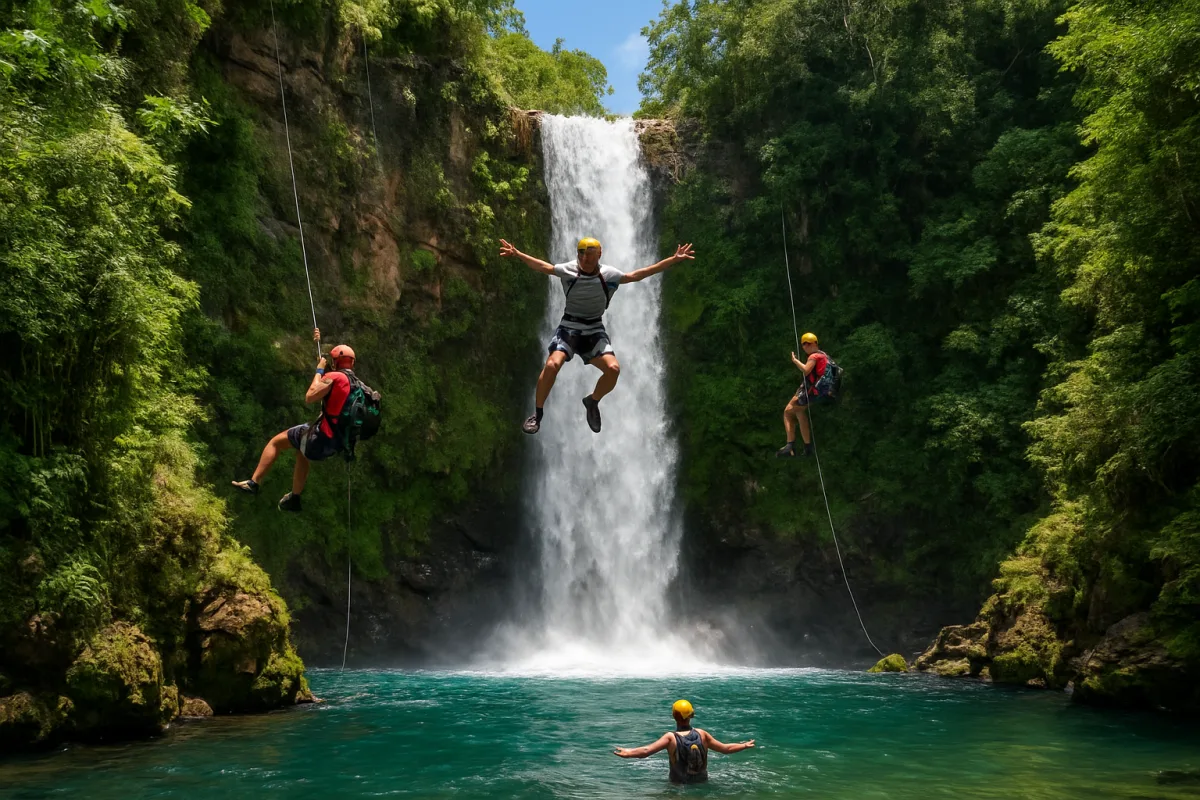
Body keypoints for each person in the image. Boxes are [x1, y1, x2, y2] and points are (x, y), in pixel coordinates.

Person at [498, 236, 695, 434]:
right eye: (582, 257)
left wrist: (672, 259)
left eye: (590, 258)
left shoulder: (609, 274)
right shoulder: (569, 269)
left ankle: (592, 401)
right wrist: (517, 254)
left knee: (614, 369)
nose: (585, 261)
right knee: (551, 364)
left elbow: (638, 275)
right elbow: (543, 267)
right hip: (569, 328)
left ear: (599, 255)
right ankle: (537, 415)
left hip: (594, 330)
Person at [232, 328, 356, 512]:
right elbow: (333, 388)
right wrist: (318, 344)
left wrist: (319, 370)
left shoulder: (335, 377)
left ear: (335, 361)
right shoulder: (354, 384)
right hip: (336, 444)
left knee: (276, 442)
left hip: (321, 437)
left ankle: (254, 482)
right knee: (302, 450)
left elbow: (310, 396)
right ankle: (294, 499)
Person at [613, 699, 755, 785]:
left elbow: (646, 752)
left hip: (678, 788)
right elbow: (725, 749)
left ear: (674, 716)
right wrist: (744, 745)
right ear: (691, 715)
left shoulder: (670, 738)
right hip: (702, 784)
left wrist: (629, 752)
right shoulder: (702, 734)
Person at [777, 332, 830, 458]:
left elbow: (806, 370)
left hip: (811, 391)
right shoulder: (823, 355)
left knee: (788, 411)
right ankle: (807, 447)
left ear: (814, 344)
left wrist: (795, 361)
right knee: (799, 412)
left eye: (807, 344)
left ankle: (790, 446)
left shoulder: (815, 356)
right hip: (817, 391)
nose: (805, 347)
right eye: (803, 345)